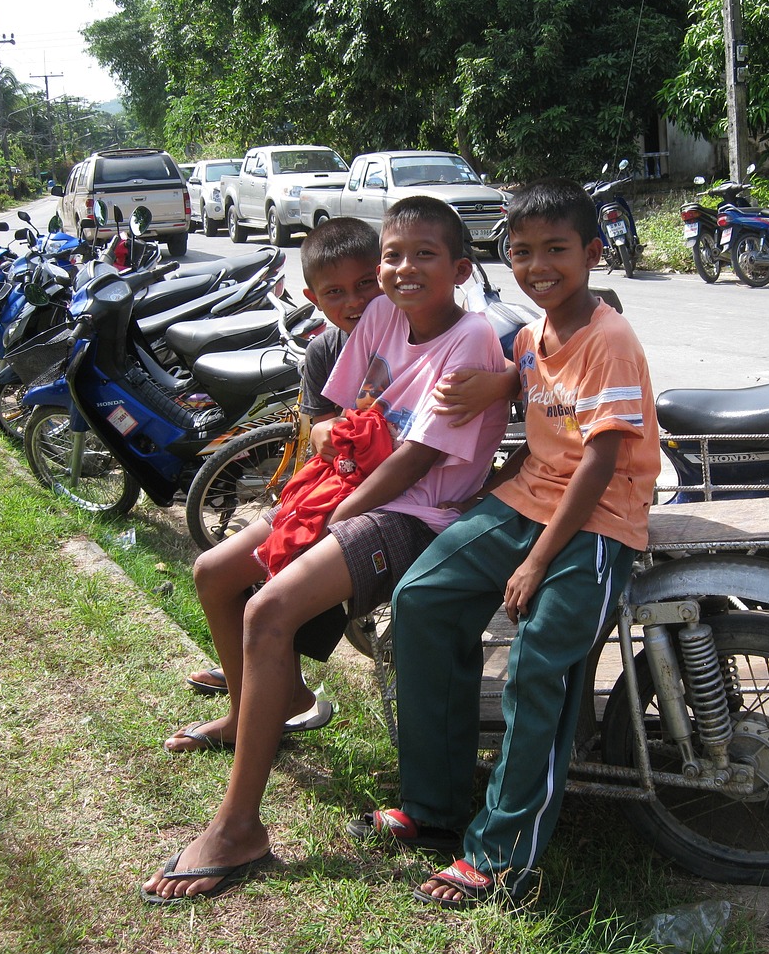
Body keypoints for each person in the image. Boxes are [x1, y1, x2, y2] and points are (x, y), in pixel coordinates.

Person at [142, 196, 510, 903]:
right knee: (216, 571)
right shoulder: (376, 318)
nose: (402, 269)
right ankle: (259, 712)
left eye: (423, 255)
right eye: (393, 256)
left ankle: (238, 827)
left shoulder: (470, 341)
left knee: (270, 609)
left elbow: (413, 459)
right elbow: (338, 414)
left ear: (461, 269)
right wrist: (320, 493)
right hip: (350, 491)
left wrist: (335, 512)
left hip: (414, 513)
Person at [352, 178, 661, 908]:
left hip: (596, 521)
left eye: (556, 250)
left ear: (591, 252)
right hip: (527, 498)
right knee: (421, 600)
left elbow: (600, 460)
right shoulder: (529, 335)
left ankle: (501, 856)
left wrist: (535, 560)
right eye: (521, 252)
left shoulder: (610, 337)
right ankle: (434, 806)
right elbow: (526, 377)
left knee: (536, 670)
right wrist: (497, 390)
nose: (537, 265)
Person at [184, 217, 383, 700]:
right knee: (211, 572)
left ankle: (270, 692)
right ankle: (250, 692)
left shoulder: (414, 339)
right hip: (327, 487)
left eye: (365, 284)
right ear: (312, 299)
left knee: (274, 592)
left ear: (387, 274)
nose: (354, 301)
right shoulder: (324, 351)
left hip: (375, 501)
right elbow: (317, 427)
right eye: (335, 292)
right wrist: (324, 432)